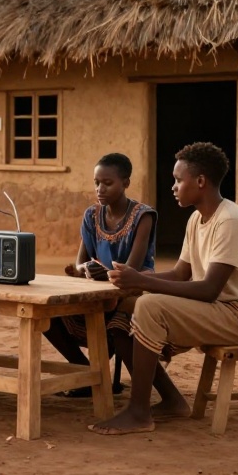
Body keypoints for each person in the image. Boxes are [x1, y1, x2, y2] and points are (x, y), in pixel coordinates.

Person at [88, 142, 238, 436]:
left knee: (149, 305)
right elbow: (181, 273)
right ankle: (172, 399)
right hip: (216, 310)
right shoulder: (197, 218)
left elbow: (209, 289)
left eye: (178, 179)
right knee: (125, 309)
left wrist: (144, 282)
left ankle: (139, 412)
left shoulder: (230, 221)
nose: (173, 187)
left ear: (200, 182)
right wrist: (136, 280)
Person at [46, 153, 157, 398]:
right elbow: (80, 264)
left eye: (108, 183)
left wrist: (104, 274)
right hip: (97, 289)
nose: (100, 189)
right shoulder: (91, 216)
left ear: (126, 183)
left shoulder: (143, 216)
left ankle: (97, 373)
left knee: (119, 317)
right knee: (45, 317)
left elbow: (132, 270)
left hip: (132, 290)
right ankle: (85, 372)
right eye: (96, 182)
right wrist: (84, 269)